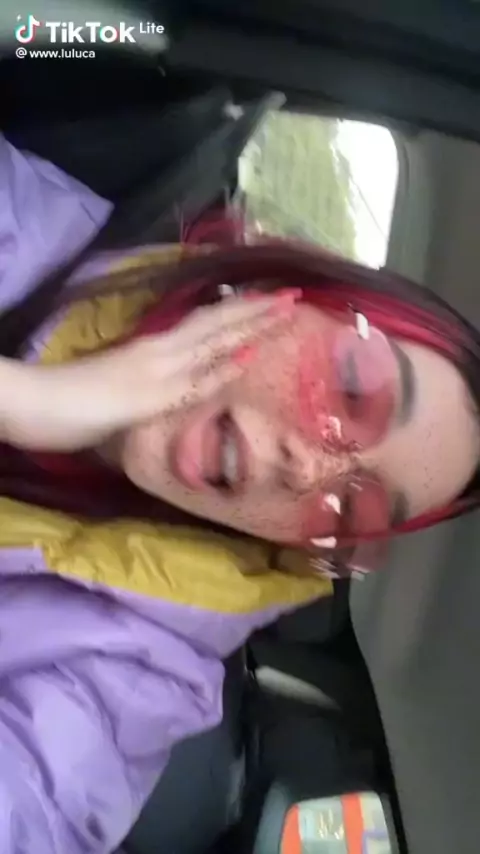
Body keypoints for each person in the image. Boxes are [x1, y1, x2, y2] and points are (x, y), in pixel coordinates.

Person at [0, 132, 479, 854]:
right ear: (294, 283)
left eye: (353, 509)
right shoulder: (29, 224)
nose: (309, 468)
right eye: (354, 389)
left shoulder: (137, 680)